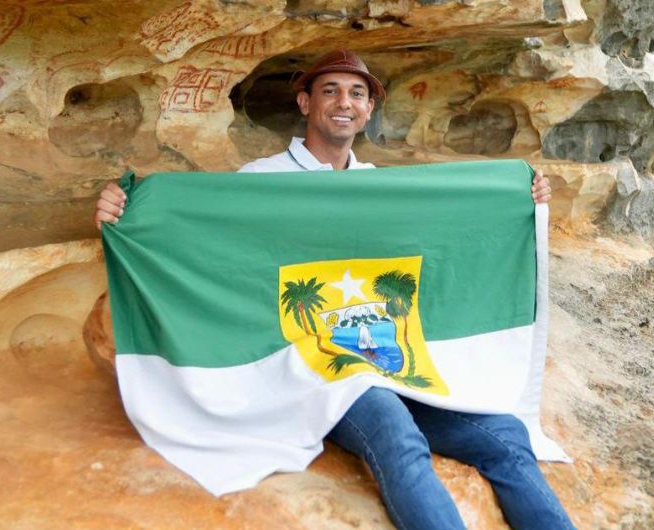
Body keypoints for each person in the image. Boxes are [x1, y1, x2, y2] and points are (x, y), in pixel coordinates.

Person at [95, 50, 573, 530]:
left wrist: (520, 200)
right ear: (305, 103)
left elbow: (454, 237)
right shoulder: (261, 182)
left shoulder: (379, 188)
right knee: (394, 431)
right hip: (319, 372)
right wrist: (127, 210)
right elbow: (202, 241)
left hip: (395, 362)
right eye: (330, 91)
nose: (345, 102)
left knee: (507, 437)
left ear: (368, 110)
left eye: (357, 94)